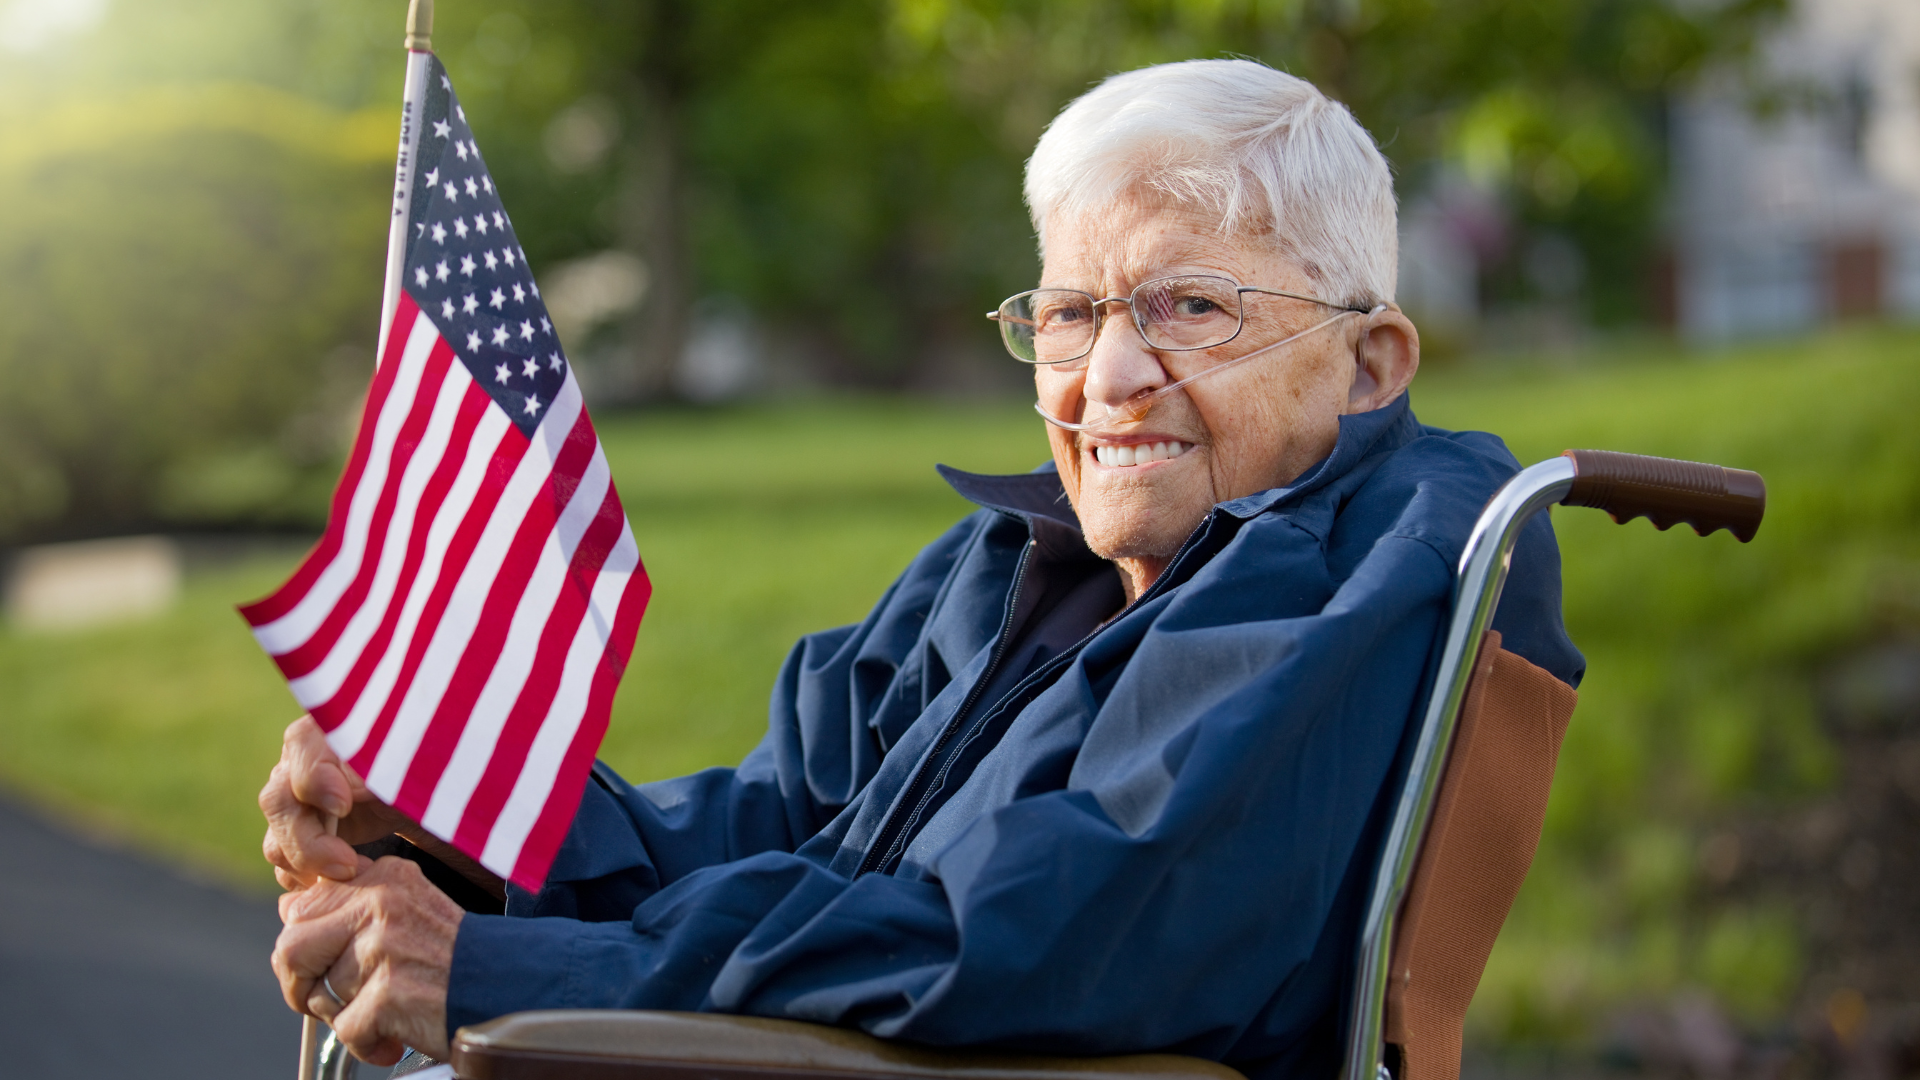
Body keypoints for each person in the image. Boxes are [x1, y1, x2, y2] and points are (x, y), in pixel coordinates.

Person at [262, 58, 1583, 1077]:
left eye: (1191, 306)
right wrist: (473, 830)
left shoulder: (1378, 566)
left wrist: (497, 968)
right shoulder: (1023, 562)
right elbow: (781, 825)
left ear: (1371, 362)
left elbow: (1040, 931)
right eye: (1069, 312)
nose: (1108, 380)